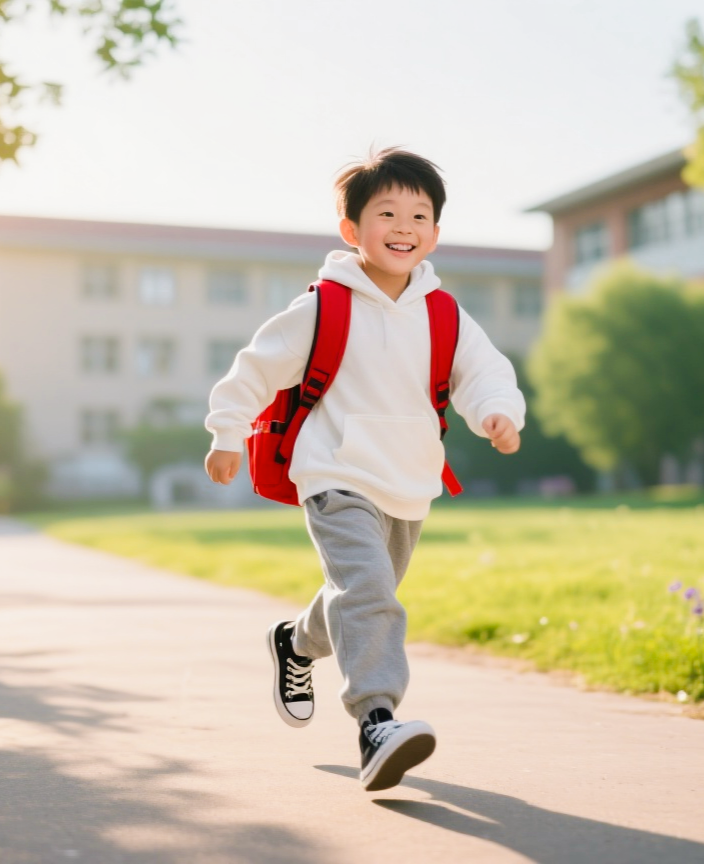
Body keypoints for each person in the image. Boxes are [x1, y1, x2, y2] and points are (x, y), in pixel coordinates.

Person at [205, 148, 525, 792]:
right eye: (386, 212)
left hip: (408, 483)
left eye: (419, 214)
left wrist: (496, 412)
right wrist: (226, 433)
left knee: (360, 594)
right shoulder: (324, 307)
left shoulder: (444, 314)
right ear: (353, 230)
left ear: (435, 232)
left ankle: (296, 643)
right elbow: (255, 369)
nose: (403, 225)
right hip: (334, 475)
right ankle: (377, 721)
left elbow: (485, 374)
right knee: (371, 592)